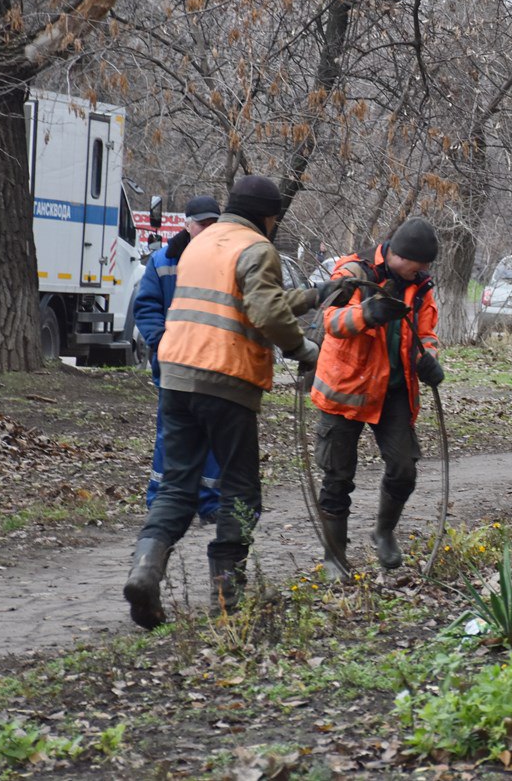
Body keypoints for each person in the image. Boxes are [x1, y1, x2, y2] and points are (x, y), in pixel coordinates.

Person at [123, 175, 352, 628]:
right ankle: (228, 598)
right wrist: (306, 352)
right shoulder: (256, 247)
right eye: (273, 218)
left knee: (176, 486)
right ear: (267, 217)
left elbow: (248, 298)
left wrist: (313, 297)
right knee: (240, 490)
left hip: (176, 377)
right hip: (226, 380)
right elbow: (264, 312)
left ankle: (145, 569)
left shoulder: (202, 244)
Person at [310, 217, 444, 575]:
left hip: (394, 393)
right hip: (345, 391)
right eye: (421, 264)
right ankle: (334, 558)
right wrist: (367, 313)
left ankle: (383, 532)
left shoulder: (422, 285)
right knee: (337, 479)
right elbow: (329, 321)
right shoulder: (354, 270)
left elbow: (426, 334)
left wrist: (428, 361)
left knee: (404, 470)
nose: (424, 271)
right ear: (401, 255)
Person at [133, 195, 222, 525]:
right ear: (187, 224)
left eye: (213, 223)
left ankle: (209, 505)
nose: (207, 229)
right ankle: (160, 501)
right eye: (201, 224)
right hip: (173, 366)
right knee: (169, 436)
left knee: (212, 435)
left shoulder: (224, 260)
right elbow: (146, 308)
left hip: (213, 364)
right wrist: (163, 343)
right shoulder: (162, 261)